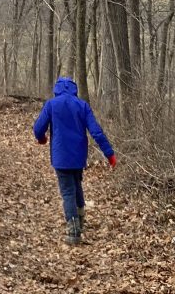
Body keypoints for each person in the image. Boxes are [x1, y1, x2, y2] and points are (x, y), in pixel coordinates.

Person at [33, 77, 116, 246]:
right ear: (74, 89)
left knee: (68, 192)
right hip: (78, 157)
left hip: (61, 157)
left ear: (57, 89)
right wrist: (109, 154)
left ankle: (73, 231)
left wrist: (42, 139)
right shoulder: (82, 105)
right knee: (76, 186)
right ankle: (80, 220)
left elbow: (38, 128)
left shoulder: (51, 105)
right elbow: (96, 132)